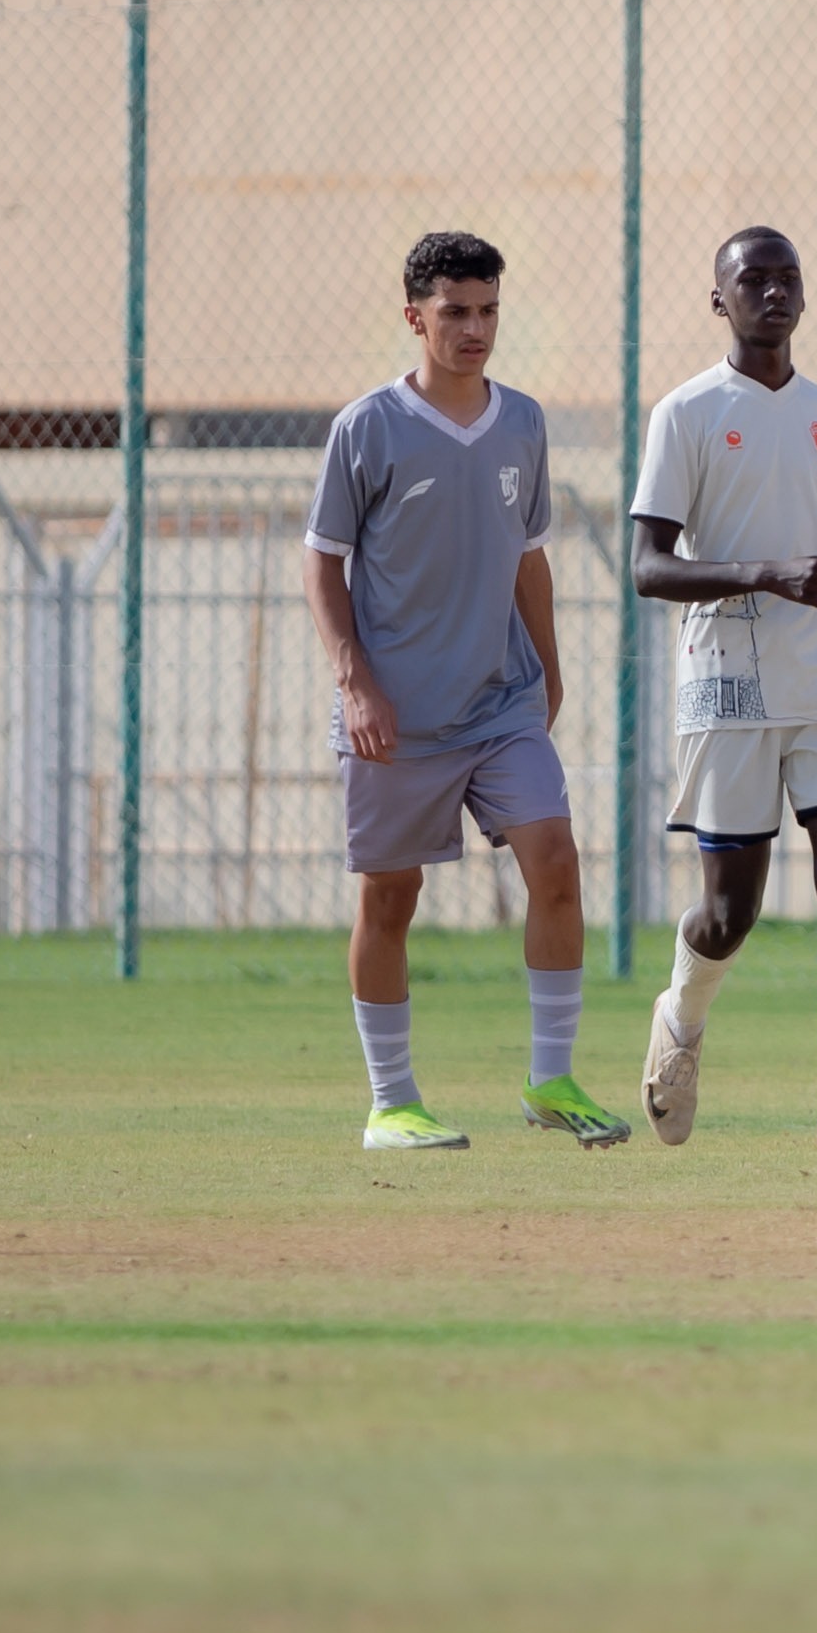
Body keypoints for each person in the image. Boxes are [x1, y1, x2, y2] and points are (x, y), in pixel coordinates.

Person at [305, 230, 629, 1150]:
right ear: (415, 317)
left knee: (556, 860)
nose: (474, 327)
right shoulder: (365, 427)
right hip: (397, 715)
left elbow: (532, 560)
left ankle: (552, 1081)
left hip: (501, 704)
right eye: (454, 312)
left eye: (488, 310)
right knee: (390, 899)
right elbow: (321, 566)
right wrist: (356, 685)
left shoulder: (522, 422)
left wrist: (550, 671)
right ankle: (392, 1103)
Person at [628, 228, 817, 1151]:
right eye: (753, 279)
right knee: (730, 911)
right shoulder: (685, 413)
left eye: (788, 276)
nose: (774, 291)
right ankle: (680, 1015)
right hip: (731, 679)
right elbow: (647, 568)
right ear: (720, 300)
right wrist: (766, 574)